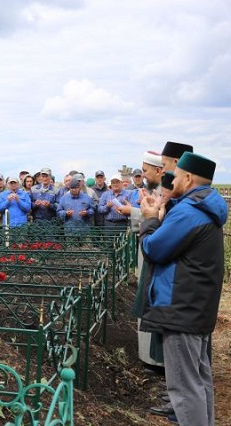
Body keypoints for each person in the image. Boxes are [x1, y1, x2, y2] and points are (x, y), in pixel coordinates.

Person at [139, 152, 226, 426]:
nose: (172, 179)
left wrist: (150, 220)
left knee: (183, 388)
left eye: (175, 175)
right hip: (196, 307)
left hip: (180, 308)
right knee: (198, 379)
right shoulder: (204, 208)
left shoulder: (189, 212)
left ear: (188, 178)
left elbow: (154, 248)